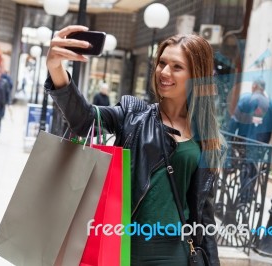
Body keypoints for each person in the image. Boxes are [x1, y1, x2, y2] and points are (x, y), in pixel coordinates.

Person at [45, 25, 225, 265]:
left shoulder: (205, 136)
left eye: (177, 67)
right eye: (162, 63)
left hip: (175, 255)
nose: (164, 72)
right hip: (124, 251)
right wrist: (56, 68)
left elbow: (204, 215)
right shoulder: (133, 115)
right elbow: (84, 119)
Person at [228, 78, 272, 145]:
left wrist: (229, 138)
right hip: (262, 145)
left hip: (243, 142)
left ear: (254, 86)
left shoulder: (244, 100)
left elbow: (235, 121)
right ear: (263, 88)